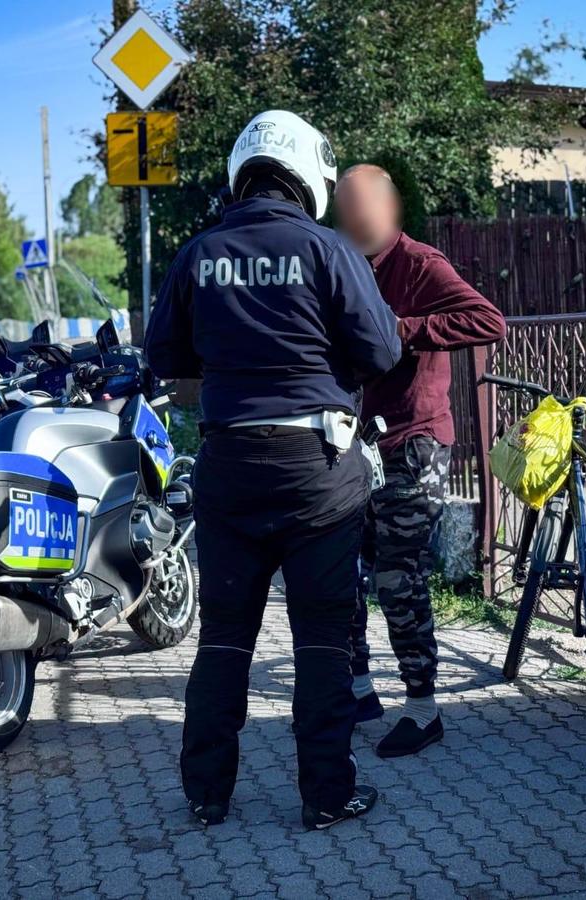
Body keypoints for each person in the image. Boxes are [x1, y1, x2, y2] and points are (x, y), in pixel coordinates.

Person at [145, 113, 402, 830]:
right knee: (321, 636)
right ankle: (326, 794)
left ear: (244, 171)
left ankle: (206, 794)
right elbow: (381, 351)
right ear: (308, 174)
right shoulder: (328, 248)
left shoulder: (199, 253)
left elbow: (163, 355)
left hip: (228, 464)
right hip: (318, 472)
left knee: (225, 635)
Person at [333, 164, 506, 759]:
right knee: (340, 569)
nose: (349, 217)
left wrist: (402, 329)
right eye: (342, 206)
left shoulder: (420, 263)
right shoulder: (342, 262)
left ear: (387, 208)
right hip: (355, 444)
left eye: (360, 206)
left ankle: (423, 710)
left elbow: (488, 320)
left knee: (396, 576)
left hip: (415, 444)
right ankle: (358, 690)